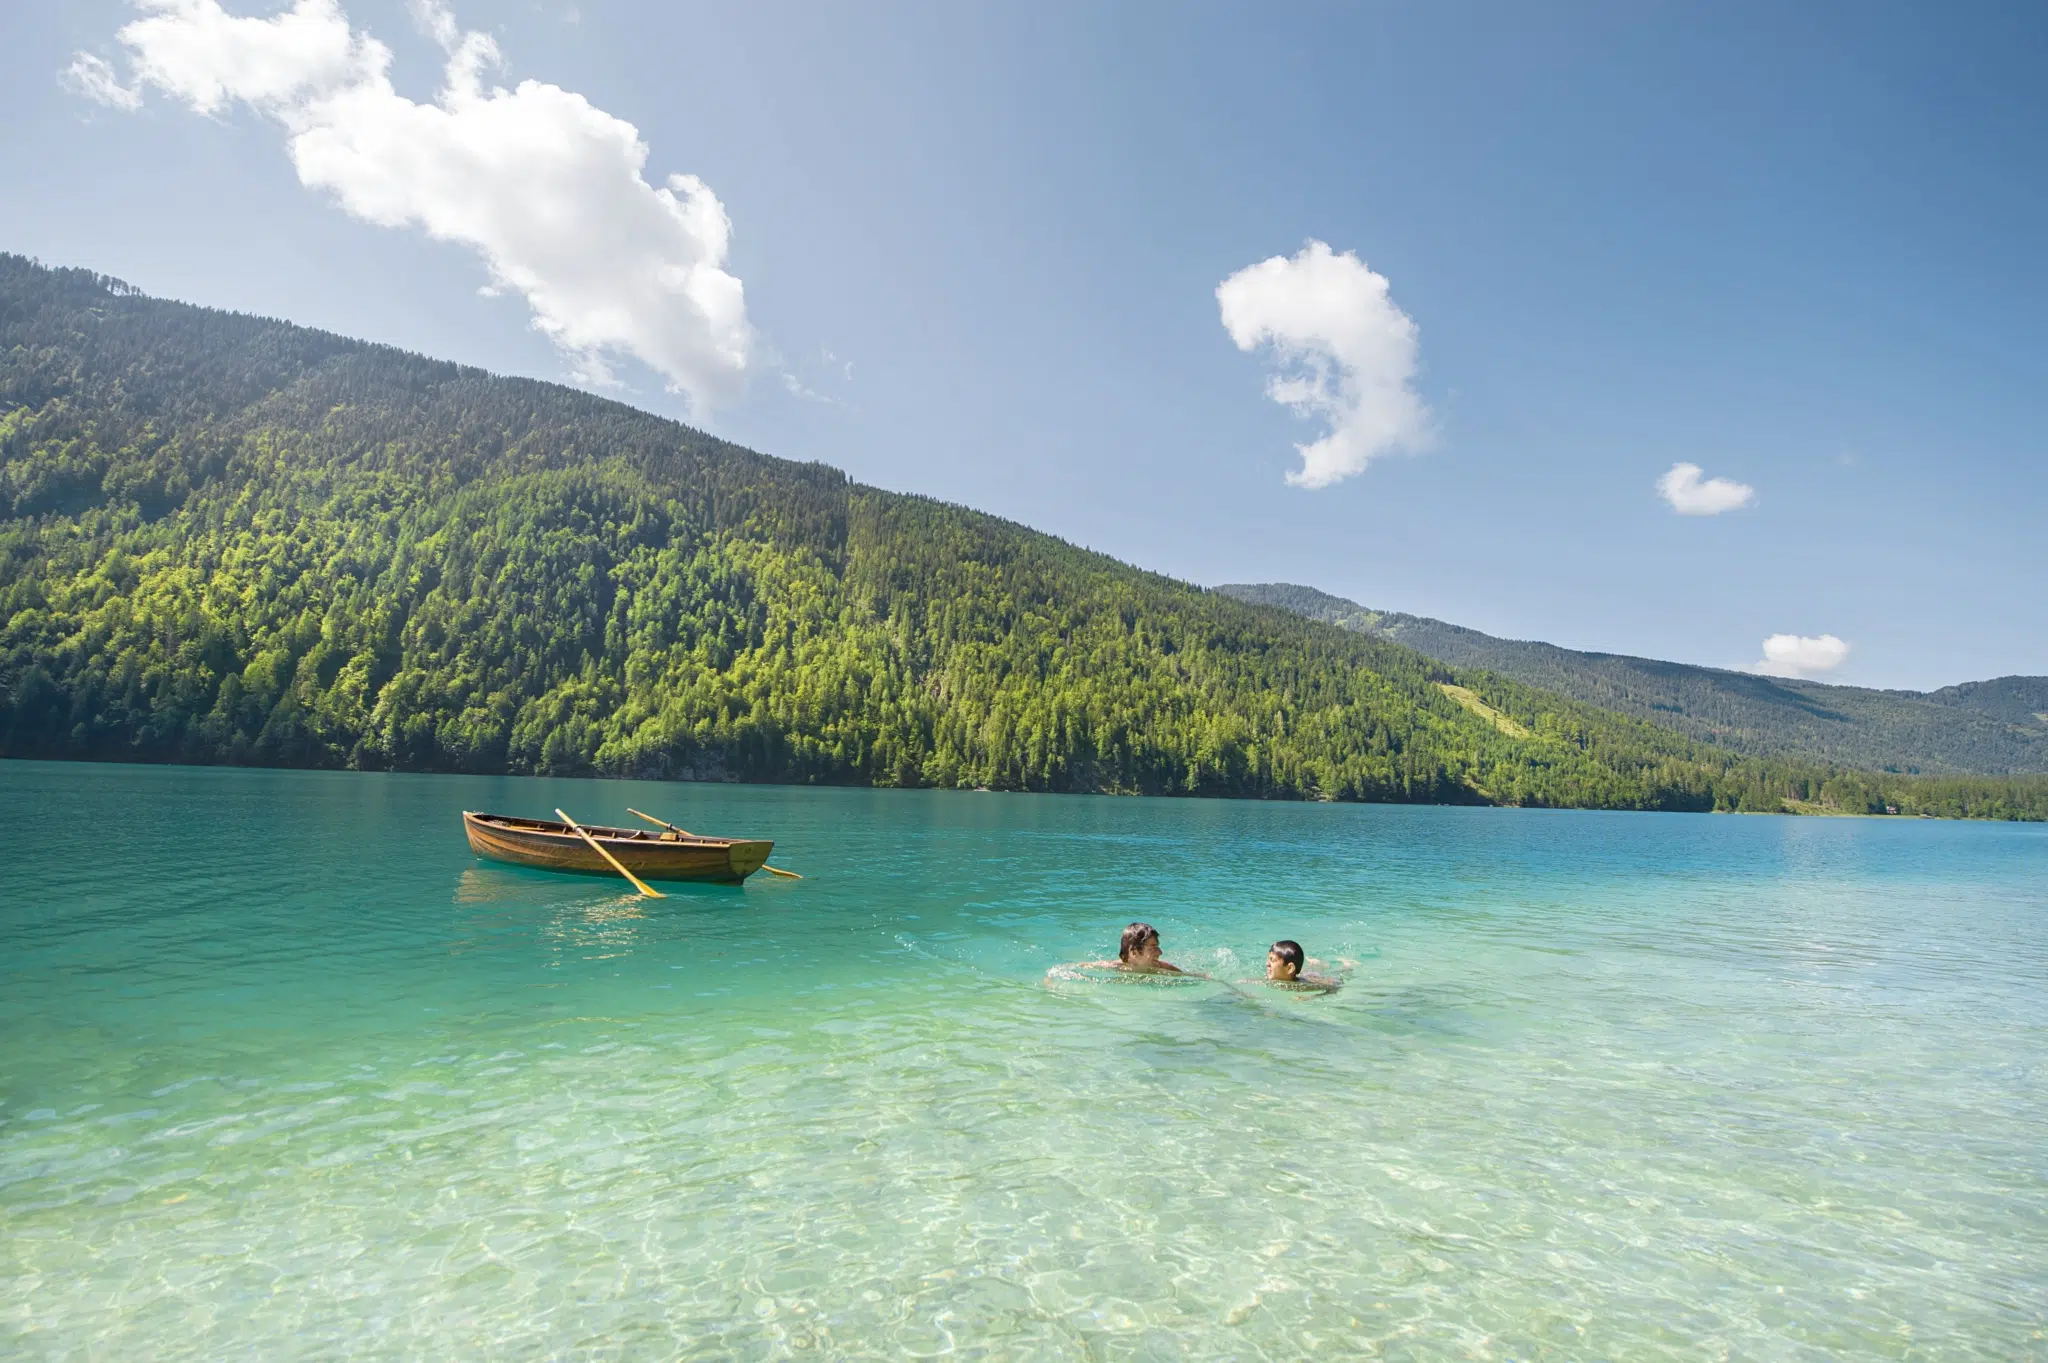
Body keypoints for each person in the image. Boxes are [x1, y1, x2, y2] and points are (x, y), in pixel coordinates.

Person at [1106, 921, 1184, 974]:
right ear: (1134, 952)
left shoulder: (1164, 969)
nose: (1160, 952)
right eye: (1153, 948)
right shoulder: (1113, 967)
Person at [1263, 939, 1339, 990]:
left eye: (1272, 960)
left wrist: (1311, 997)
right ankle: (1313, 963)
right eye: (1268, 959)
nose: (1267, 964)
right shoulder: (1269, 979)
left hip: (1312, 977)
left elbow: (1334, 987)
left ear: (1290, 968)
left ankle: (1346, 964)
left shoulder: (1303, 986)